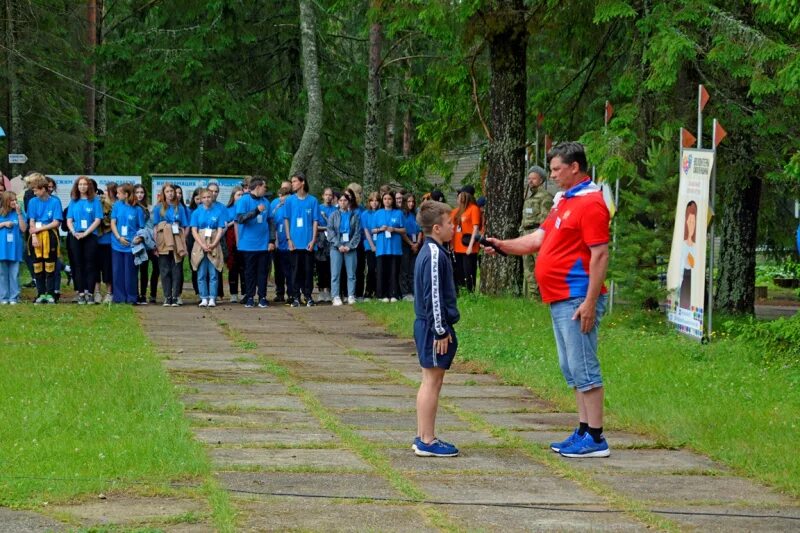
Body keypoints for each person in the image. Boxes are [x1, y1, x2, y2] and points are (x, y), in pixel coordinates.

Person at [485, 142, 611, 458]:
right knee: (570, 367)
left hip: (577, 296)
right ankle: (583, 429)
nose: (551, 175)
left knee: (584, 366)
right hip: (559, 297)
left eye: (556, 169)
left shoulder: (591, 203)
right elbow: (539, 239)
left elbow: (600, 255)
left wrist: (590, 302)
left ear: (575, 167)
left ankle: (596, 438)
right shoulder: (564, 202)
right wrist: (504, 246)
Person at [412, 200, 460, 457]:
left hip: (430, 325)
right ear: (437, 228)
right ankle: (427, 440)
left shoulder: (434, 251)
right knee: (432, 381)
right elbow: (433, 296)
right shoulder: (432, 254)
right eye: (450, 222)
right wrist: (440, 330)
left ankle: (422, 434)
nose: (454, 226)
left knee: (429, 380)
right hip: (433, 327)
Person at [236, 176, 274, 308]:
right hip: (248, 244)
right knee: (249, 272)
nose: (266, 189)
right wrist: (256, 211)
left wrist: (271, 240)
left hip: (263, 244)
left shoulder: (266, 202)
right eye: (264, 187)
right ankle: (250, 297)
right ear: (257, 187)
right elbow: (240, 219)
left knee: (263, 272)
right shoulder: (244, 200)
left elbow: (270, 222)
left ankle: (262, 297)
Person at [284, 172, 319, 307]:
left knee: (308, 270)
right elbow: (287, 220)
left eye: (294, 181)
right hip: (294, 242)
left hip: (308, 242)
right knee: (295, 270)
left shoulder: (313, 201)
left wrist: (313, 240)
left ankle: (308, 295)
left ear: (302, 182)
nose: (292, 184)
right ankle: (296, 297)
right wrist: (289, 239)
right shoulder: (289, 200)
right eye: (292, 182)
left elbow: (315, 221)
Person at [26, 173, 63, 304]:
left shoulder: (55, 201)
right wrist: (34, 235)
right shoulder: (32, 202)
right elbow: (31, 220)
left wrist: (39, 229)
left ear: (43, 189)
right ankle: (41, 293)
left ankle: (51, 294)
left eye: (36, 190)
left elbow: (56, 222)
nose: (34, 192)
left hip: (50, 235)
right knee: (37, 265)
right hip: (36, 236)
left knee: (50, 265)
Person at [66, 176, 103, 305]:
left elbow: (98, 219)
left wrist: (86, 233)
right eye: (80, 184)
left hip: (90, 236)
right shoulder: (73, 201)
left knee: (90, 265)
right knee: (78, 265)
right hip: (75, 236)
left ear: (89, 186)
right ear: (77, 186)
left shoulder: (95, 201)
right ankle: (81, 293)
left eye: (85, 184)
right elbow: (69, 219)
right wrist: (73, 232)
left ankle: (90, 294)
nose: (82, 187)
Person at [519, 166, 554, 299]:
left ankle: (546, 295)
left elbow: (545, 220)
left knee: (541, 267)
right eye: (529, 178)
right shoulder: (528, 197)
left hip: (537, 234)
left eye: (533, 178)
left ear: (541, 180)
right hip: (526, 234)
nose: (530, 181)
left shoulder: (545, 197)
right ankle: (535, 297)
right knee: (528, 269)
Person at [153, 183, 189, 306]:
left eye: (172, 191)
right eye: (167, 191)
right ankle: (167, 296)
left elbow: (185, 226)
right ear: (163, 193)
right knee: (164, 269)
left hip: (177, 240)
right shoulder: (158, 207)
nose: (170, 193)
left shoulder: (180, 207)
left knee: (176, 269)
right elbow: (155, 227)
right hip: (163, 240)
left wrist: (183, 242)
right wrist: (155, 244)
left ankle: (175, 296)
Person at [110, 184, 146, 304]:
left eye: (119, 193)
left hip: (132, 246)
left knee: (130, 272)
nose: (116, 195)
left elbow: (141, 228)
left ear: (126, 195)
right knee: (117, 271)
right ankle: (119, 298)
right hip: (117, 244)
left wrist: (139, 238)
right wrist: (119, 237)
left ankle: (131, 297)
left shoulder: (138, 209)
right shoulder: (116, 206)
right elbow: (113, 223)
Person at [191, 188, 225, 307]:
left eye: (209, 197)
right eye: (204, 197)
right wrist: (202, 244)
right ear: (200, 199)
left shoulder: (218, 211)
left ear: (212, 197)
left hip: (213, 243)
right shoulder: (196, 212)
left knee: (213, 272)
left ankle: (212, 297)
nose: (206, 199)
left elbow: (220, 229)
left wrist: (214, 243)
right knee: (201, 273)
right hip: (200, 243)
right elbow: (194, 230)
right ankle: (203, 297)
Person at [327, 189, 361, 306]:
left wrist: (349, 246)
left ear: (349, 202)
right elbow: (330, 232)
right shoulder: (333, 215)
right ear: (338, 202)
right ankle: (335, 296)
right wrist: (339, 245)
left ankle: (351, 295)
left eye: (345, 200)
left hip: (350, 247)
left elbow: (357, 233)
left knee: (351, 273)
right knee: (335, 273)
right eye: (340, 200)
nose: (342, 203)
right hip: (336, 247)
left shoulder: (355, 216)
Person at [372, 190, 405, 302]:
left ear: (393, 200)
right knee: (382, 271)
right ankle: (382, 295)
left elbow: (404, 229)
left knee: (394, 271)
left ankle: (394, 294)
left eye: (389, 199)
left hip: (395, 248)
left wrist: (394, 229)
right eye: (385, 199)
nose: (387, 201)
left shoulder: (398, 213)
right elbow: (372, 230)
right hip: (382, 248)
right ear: (382, 200)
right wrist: (380, 229)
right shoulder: (378, 213)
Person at [450, 185, 481, 293]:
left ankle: (470, 292)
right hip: (457, 246)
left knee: (469, 271)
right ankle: (460, 291)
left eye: (461, 195)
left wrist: (471, 246)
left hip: (468, 247)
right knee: (459, 271)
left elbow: (475, 228)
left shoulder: (474, 209)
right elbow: (452, 229)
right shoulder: (455, 211)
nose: (459, 197)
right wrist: (451, 245)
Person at [0, 191, 27, 304]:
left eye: (15, 200)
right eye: (12, 200)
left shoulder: (20, 213)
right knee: (2, 274)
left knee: (14, 273)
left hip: (15, 248)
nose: (14, 202)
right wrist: (4, 224)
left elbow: (23, 229)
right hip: (2, 248)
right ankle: (4, 297)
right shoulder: (1, 213)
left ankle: (14, 297)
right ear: (6, 201)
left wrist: (19, 214)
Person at [133, 184, 158, 304]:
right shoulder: (132, 208)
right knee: (140, 269)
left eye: (141, 192)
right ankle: (138, 294)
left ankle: (149, 294)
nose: (139, 195)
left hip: (150, 243)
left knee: (152, 269)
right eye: (137, 192)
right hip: (138, 242)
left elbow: (154, 225)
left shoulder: (151, 208)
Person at [270, 182, 293, 303]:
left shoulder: (291, 203)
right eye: (280, 195)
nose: (281, 198)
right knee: (278, 270)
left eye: (284, 194)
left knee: (288, 270)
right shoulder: (274, 204)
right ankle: (279, 293)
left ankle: (291, 294)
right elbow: (271, 220)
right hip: (277, 241)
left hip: (288, 242)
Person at [94, 182, 116, 303]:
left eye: (110, 191)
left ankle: (109, 293)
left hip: (109, 240)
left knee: (108, 268)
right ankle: (97, 292)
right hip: (96, 239)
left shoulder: (117, 205)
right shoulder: (98, 202)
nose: (108, 193)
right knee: (96, 268)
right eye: (106, 191)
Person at [315, 187, 336, 302]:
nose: (328, 197)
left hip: (331, 241)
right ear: (323, 196)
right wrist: (325, 228)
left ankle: (328, 291)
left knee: (330, 266)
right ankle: (321, 291)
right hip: (320, 241)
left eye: (330, 195)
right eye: (326, 195)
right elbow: (315, 225)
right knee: (320, 266)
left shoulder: (335, 210)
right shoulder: (318, 208)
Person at [206, 182, 227, 301]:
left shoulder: (221, 207)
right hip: (204, 240)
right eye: (211, 191)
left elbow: (224, 225)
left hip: (218, 239)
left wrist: (217, 237)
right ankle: (204, 294)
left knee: (217, 266)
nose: (213, 194)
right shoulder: (201, 206)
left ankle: (218, 293)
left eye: (216, 191)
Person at [224, 187, 244, 302]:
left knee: (243, 267)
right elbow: (225, 224)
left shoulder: (245, 208)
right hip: (231, 240)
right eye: (238, 195)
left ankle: (244, 292)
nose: (240, 197)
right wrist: (234, 221)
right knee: (233, 267)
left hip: (244, 239)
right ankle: (233, 293)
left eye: (242, 194)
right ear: (233, 196)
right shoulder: (228, 209)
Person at [400, 192, 420, 300]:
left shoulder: (416, 214)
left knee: (413, 269)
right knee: (405, 269)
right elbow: (402, 232)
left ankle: (414, 291)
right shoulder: (402, 214)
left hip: (416, 243)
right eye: (409, 201)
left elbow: (420, 230)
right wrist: (411, 244)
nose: (411, 204)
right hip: (406, 243)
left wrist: (417, 243)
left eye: (413, 201)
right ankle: (405, 292)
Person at [679, 201, 697, 310]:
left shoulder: (696, 245)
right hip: (684, 277)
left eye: (693, 221)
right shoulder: (682, 243)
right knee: (684, 302)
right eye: (689, 221)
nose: (691, 224)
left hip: (693, 278)